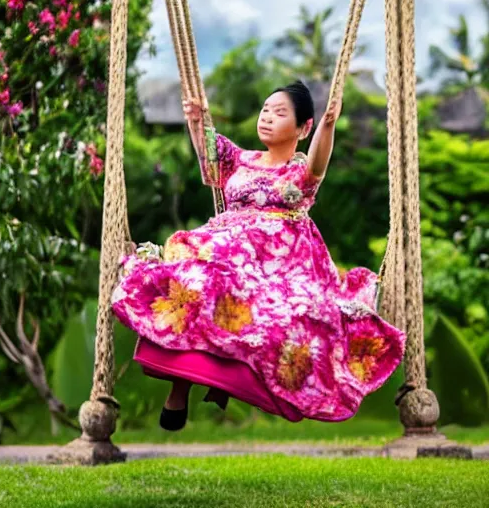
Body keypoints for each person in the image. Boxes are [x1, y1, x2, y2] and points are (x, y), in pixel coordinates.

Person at [111, 80, 406, 431]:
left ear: (302, 127)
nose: (267, 117)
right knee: (193, 280)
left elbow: (318, 162)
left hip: (279, 264)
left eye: (279, 113)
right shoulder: (240, 159)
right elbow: (209, 154)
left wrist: (327, 125)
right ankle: (181, 386)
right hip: (227, 251)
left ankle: (226, 373)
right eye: (265, 110)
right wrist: (197, 119)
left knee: (291, 318)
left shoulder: (299, 173)